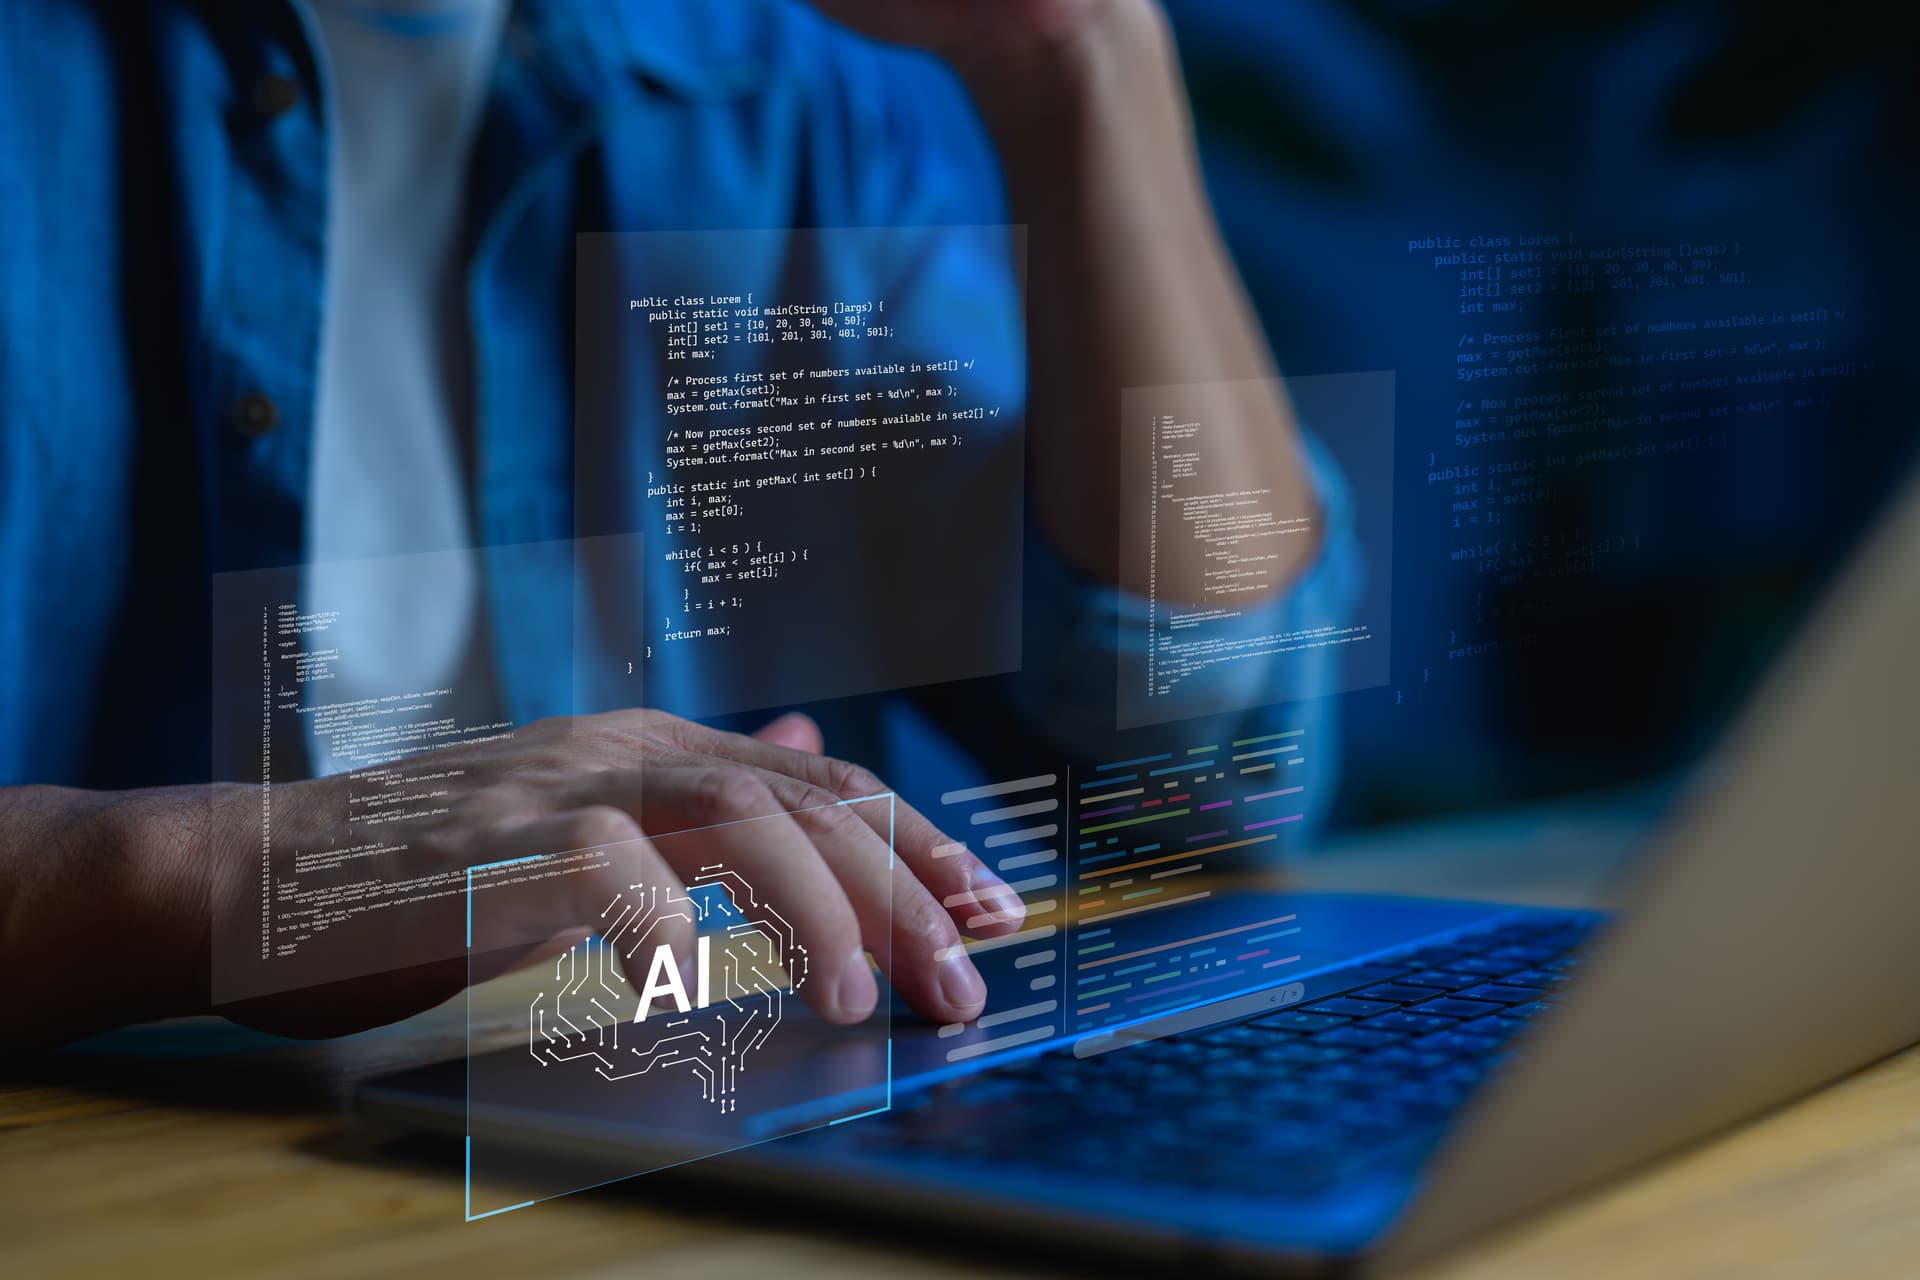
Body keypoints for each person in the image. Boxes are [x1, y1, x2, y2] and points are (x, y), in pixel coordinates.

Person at [0, 0, 1357, 1053]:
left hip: (659, 1162)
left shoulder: (805, 94)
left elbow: (1208, 756)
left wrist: (1077, 56)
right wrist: (207, 880)